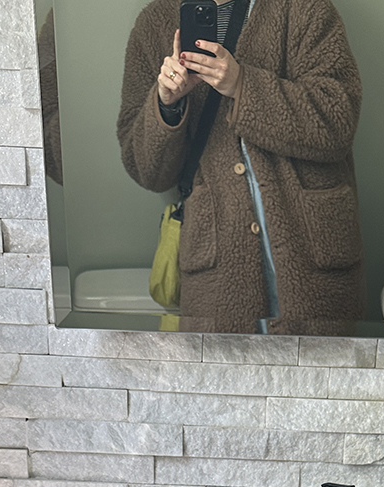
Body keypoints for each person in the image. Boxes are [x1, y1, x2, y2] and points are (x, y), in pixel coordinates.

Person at [117, 0, 365, 335]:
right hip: (217, 273)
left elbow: (337, 120)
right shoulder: (152, 26)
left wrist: (241, 84)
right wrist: (167, 105)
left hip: (314, 265)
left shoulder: (305, 7)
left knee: (324, 379)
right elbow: (146, 169)